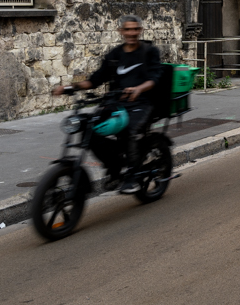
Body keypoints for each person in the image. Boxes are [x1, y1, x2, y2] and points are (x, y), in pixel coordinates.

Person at [53, 15, 162, 194]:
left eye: (135, 29)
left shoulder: (150, 52)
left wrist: (138, 89)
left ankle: (133, 176)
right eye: (127, 29)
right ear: (121, 31)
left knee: (129, 131)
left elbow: (154, 78)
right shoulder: (114, 55)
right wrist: (68, 87)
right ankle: (115, 167)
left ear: (140, 30)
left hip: (142, 103)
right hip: (116, 104)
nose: (131, 33)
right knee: (88, 128)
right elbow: (95, 80)